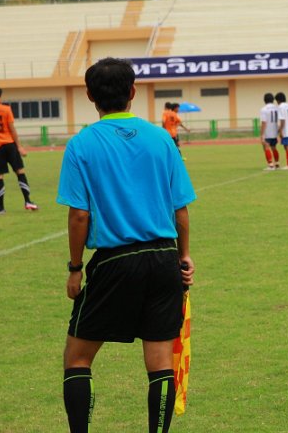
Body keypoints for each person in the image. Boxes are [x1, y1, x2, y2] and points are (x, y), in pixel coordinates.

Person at [56, 57, 196, 433]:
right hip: (163, 257)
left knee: (78, 359)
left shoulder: (82, 144)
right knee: (160, 359)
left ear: (89, 96)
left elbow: (79, 216)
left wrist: (74, 268)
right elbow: (180, 211)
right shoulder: (161, 140)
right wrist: (183, 257)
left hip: (114, 261)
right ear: (133, 92)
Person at [0, 87, 38, 214]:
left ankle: (0, 208)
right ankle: (28, 201)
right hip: (10, 144)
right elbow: (12, 129)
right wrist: (19, 146)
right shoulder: (6, 109)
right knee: (20, 171)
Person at [259, 93, 280, 170]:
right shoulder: (277, 108)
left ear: (264, 100)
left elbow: (264, 122)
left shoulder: (264, 109)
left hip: (267, 131)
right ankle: (277, 164)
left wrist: (262, 134)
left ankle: (270, 165)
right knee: (274, 147)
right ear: (273, 100)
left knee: (266, 147)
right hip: (275, 130)